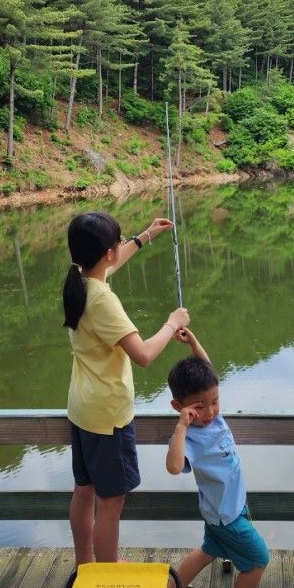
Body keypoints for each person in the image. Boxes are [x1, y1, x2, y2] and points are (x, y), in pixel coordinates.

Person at [62, 210, 189, 565]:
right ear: (107, 252)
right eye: (117, 243)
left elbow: (110, 267)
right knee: (111, 504)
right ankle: (106, 577)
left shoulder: (79, 281)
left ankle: (86, 568)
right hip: (107, 416)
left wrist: (144, 236)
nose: (119, 249)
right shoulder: (102, 300)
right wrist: (172, 322)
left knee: (84, 492)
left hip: (83, 410)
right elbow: (145, 354)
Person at [163, 328, 274, 588]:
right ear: (180, 407)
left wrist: (193, 342)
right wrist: (182, 427)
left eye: (215, 401)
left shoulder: (213, 416)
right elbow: (173, 467)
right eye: (199, 406)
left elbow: (207, 368)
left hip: (223, 510)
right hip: (226, 516)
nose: (210, 411)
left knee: (208, 550)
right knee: (257, 559)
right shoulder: (191, 435)